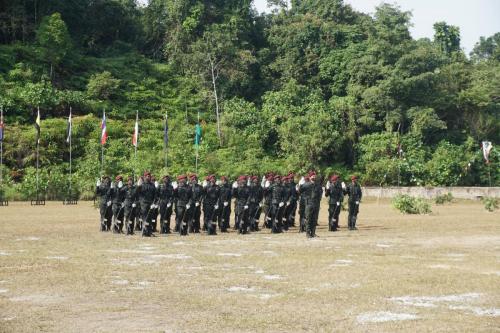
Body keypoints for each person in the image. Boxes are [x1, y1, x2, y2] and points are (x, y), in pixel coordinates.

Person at [136, 171, 157, 237]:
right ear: (144, 177)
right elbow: (137, 193)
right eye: (147, 176)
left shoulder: (152, 185)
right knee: (145, 217)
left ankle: (149, 231)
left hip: (150, 203)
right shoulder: (142, 185)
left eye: (149, 176)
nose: (148, 177)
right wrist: (138, 186)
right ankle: (145, 231)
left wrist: (154, 203)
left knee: (150, 217)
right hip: (144, 203)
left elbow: (155, 195)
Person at [303, 172, 323, 238]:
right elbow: (300, 192)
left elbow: (320, 194)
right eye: (312, 176)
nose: (314, 177)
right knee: (308, 219)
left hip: (316, 204)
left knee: (314, 219)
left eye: (314, 176)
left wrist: (318, 203)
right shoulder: (306, 185)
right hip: (309, 204)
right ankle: (308, 233)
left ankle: (313, 233)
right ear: (309, 177)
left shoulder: (318, 185)